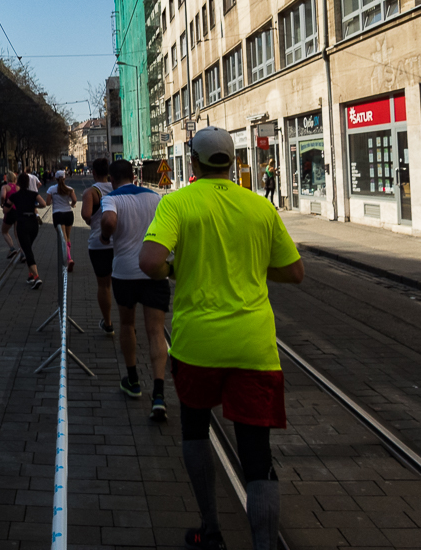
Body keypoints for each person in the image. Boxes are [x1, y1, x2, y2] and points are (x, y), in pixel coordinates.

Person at [138, 127, 304, 550]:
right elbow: (294, 271)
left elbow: (151, 261)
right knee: (256, 451)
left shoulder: (177, 203)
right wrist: (251, 268)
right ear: (231, 162)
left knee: (195, 429)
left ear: (192, 161)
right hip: (254, 347)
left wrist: (175, 270)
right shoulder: (259, 207)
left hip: (198, 345)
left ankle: (209, 528)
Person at [99, 158, 168, 421]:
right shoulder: (156, 197)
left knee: (127, 325)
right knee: (155, 331)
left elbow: (108, 221)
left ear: (112, 179)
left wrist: (106, 237)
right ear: (134, 176)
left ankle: (133, 380)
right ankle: (159, 393)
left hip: (125, 272)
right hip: (153, 270)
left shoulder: (113, 198)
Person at [81, 158, 114, 336]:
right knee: (122, 283)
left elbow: (86, 215)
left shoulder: (91, 192)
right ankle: (128, 322)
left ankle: (108, 322)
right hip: (119, 242)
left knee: (104, 286)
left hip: (98, 244)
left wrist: (92, 220)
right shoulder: (117, 188)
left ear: (93, 172)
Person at [10, 172, 47, 288]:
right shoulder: (33, 194)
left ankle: (36, 277)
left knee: (27, 251)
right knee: (28, 248)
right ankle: (30, 275)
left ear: (18, 183)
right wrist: (34, 206)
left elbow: (6, 209)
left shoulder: (15, 196)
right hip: (33, 225)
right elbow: (44, 204)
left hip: (22, 224)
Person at [45, 170, 77, 271]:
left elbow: (47, 203)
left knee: (63, 238)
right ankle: (67, 257)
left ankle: (69, 259)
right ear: (64, 178)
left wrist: (54, 200)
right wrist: (72, 204)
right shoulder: (69, 189)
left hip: (58, 215)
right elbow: (75, 200)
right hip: (68, 214)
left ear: (55, 178)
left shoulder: (51, 189)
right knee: (67, 237)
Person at [0, 171, 19, 259]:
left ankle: (12, 248)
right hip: (18, 211)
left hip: (10, 211)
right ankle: (22, 253)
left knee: (4, 231)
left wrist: (2, 203)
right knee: (17, 233)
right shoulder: (18, 187)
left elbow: (3, 196)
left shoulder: (5, 187)